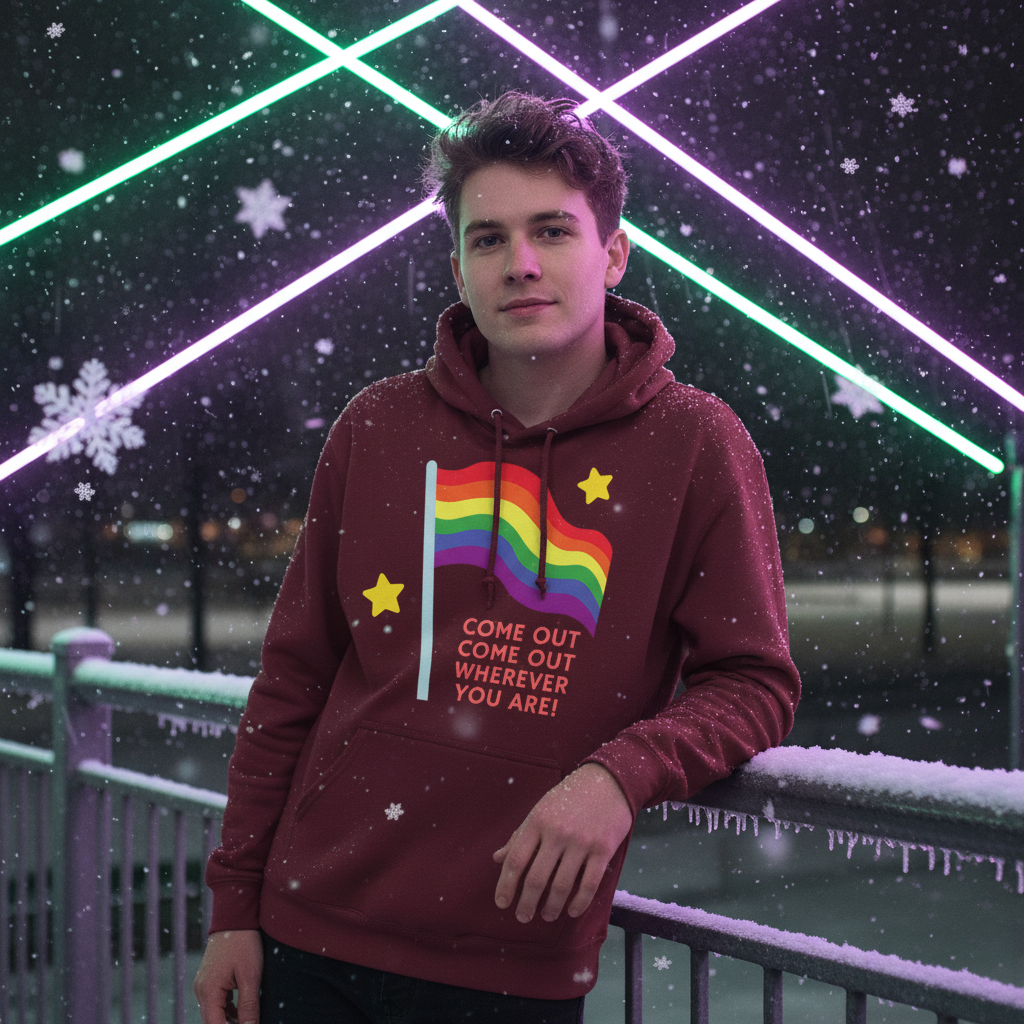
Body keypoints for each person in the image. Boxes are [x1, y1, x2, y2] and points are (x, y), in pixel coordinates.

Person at [194, 91, 800, 1024]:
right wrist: (234, 906)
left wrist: (618, 775)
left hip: (509, 963)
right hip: (306, 934)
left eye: (552, 231)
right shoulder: (377, 426)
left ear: (614, 254)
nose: (519, 264)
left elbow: (754, 680)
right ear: (459, 267)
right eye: (488, 239)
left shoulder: (696, 443)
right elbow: (293, 680)